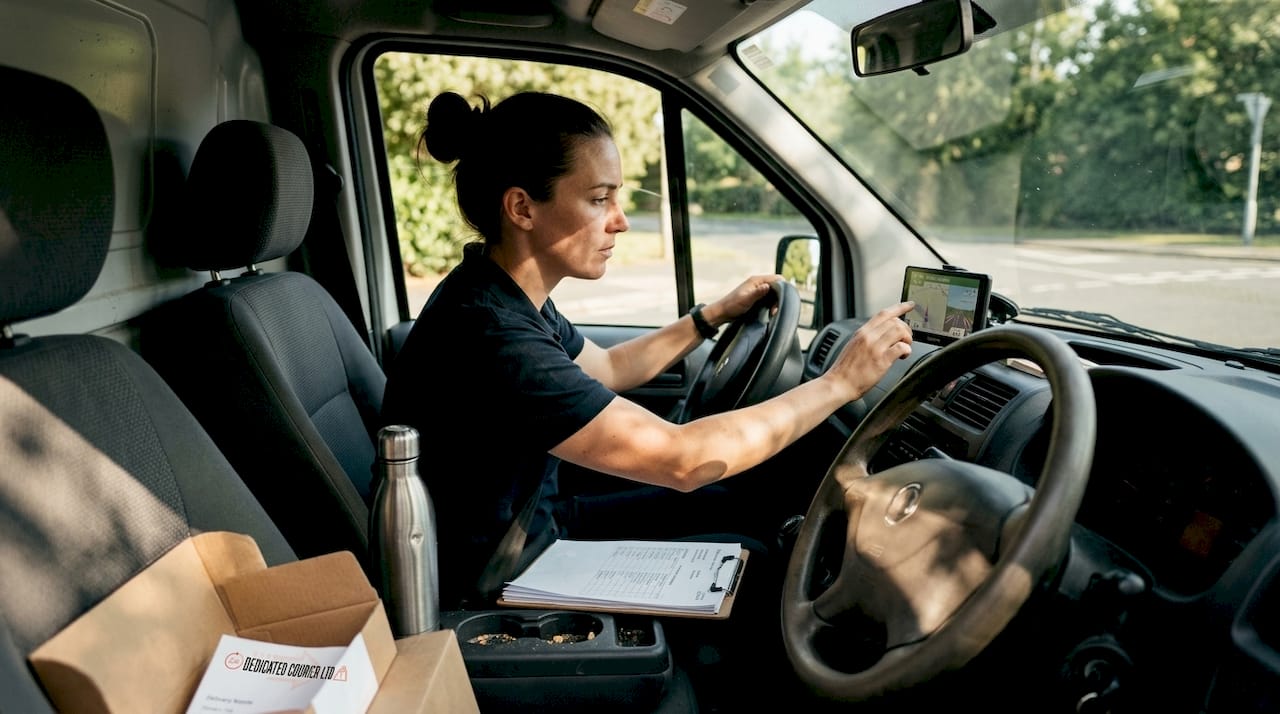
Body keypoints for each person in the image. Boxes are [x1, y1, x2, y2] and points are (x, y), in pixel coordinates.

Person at [379, 91, 913, 687]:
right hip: (497, 578)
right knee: (754, 562)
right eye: (599, 198)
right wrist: (842, 382)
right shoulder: (493, 332)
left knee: (738, 502)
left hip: (529, 528)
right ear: (522, 208)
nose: (621, 220)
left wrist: (709, 318)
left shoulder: (502, 292)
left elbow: (605, 369)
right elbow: (683, 460)